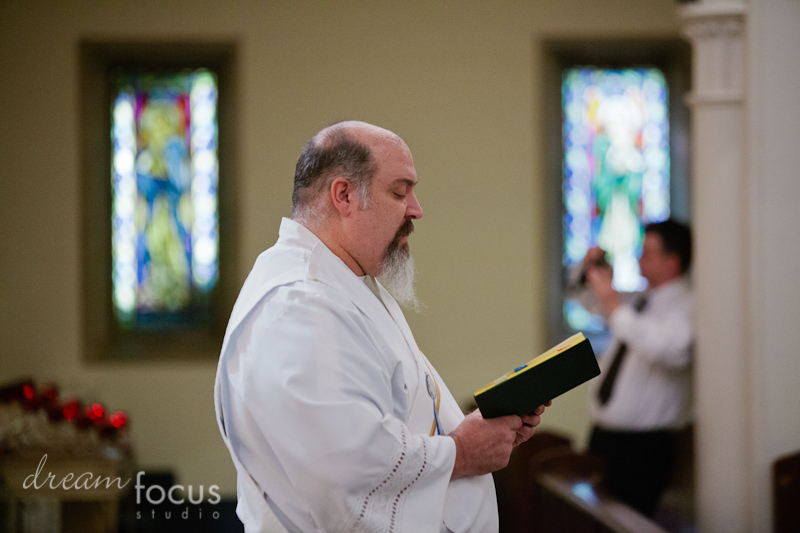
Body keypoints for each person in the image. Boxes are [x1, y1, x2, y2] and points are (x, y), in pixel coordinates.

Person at [214, 121, 549, 533]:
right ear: (344, 195)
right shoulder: (301, 305)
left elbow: (393, 418)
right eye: (399, 191)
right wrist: (461, 453)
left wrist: (479, 432)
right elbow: (341, 464)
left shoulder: (339, 285)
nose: (416, 209)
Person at [569, 219, 693, 517]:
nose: (639, 258)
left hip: (644, 449)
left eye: (647, 253)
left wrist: (615, 307)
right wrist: (589, 270)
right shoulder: (639, 300)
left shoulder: (688, 306)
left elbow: (671, 350)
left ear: (672, 262)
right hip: (605, 438)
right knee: (593, 519)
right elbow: (585, 299)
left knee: (627, 522)